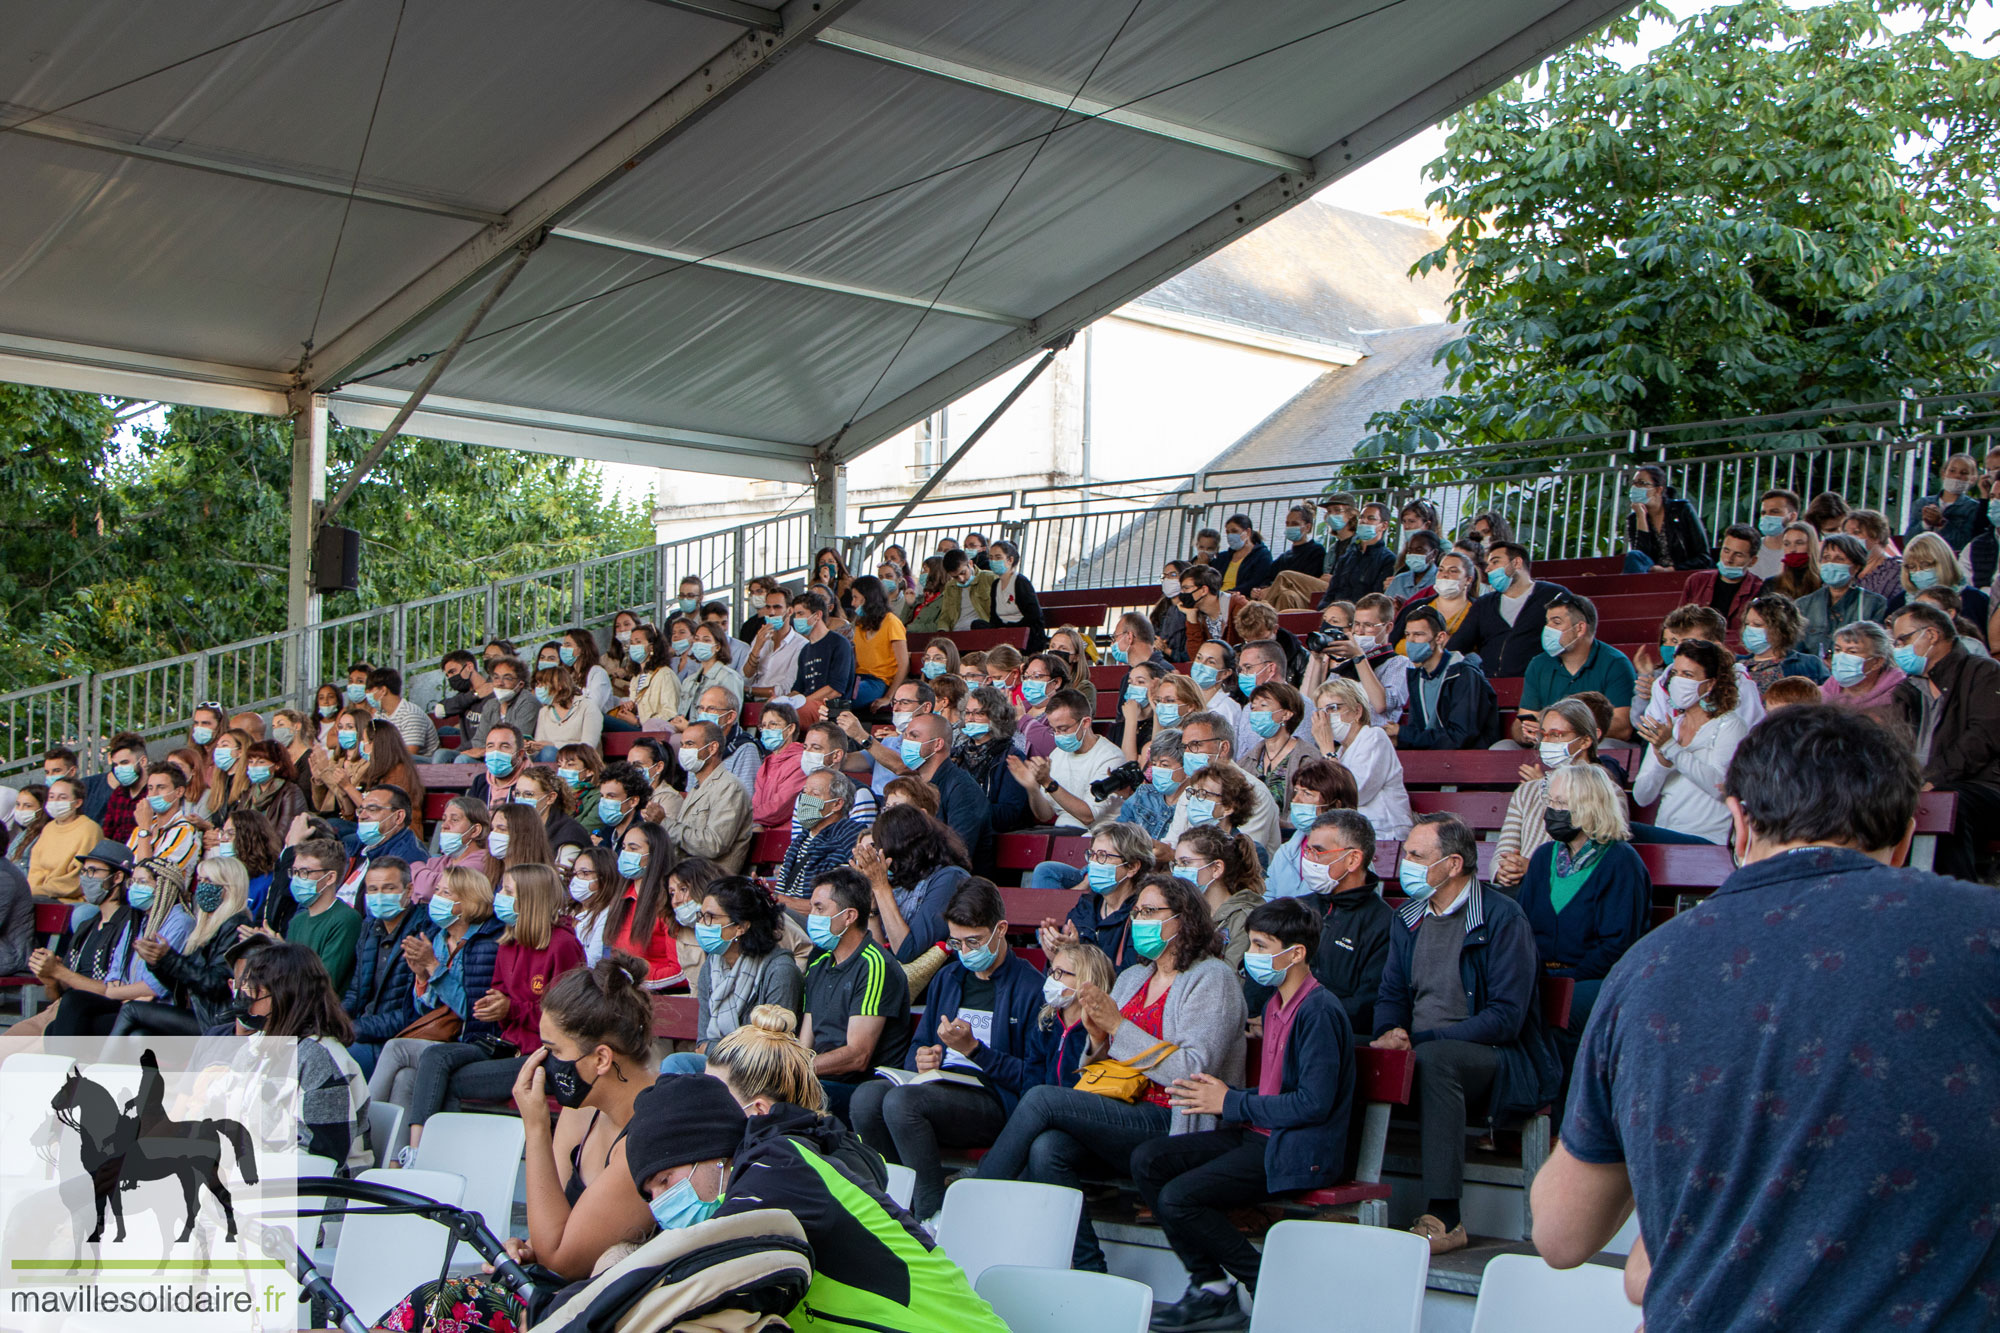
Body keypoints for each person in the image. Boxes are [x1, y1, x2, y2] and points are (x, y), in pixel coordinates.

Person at [1534, 707, 2000, 1333]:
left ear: (1738, 822)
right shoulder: (1981, 935)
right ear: (1904, 835)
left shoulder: (1648, 968)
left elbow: (1561, 1234)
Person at [977, 872, 1246, 1273]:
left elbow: (1192, 1070)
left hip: (1176, 1120)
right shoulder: (1135, 977)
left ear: (1184, 918)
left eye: (1150, 912)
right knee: (1047, 1148)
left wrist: (1119, 1027)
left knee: (1041, 1098)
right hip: (1121, 1109)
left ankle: (974, 1204)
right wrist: (1098, 1038)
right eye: (1136, 912)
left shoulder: (1212, 978)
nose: (1138, 920)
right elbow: (1101, 1064)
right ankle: (1088, 1270)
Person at [624, 1073, 1012, 1333]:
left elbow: (701, 1274)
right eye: (651, 1194)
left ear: (709, 1152)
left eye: (665, 1181)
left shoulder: (779, 1168)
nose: (660, 1204)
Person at [1134, 896, 1355, 1332]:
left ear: (1296, 953)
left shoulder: (1320, 1011)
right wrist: (1228, 1097)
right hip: (1260, 1133)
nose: (1251, 954)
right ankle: (1211, 1284)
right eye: (1250, 943)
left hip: (1295, 1147)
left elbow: (1313, 1103)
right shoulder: (1275, 1005)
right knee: (1149, 1160)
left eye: (1261, 944)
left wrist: (1229, 1101)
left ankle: (1266, 1286)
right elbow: (1276, 1089)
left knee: (1181, 1196)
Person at [1370, 814, 1557, 1256]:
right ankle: (1335, 1193)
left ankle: (1446, 1216)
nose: (1404, 864)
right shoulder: (1408, 917)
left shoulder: (1502, 918)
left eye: (1417, 856)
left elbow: (1506, 1018)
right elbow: (1391, 992)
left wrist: (1421, 1043)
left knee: (1438, 1063)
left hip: (1495, 1058)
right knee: (1343, 1044)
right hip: (1424, 1050)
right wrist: (1389, 1031)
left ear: (1453, 864)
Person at [849, 878, 1050, 1222]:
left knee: (902, 1104)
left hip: (992, 1099)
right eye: (957, 943)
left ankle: (932, 1213)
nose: (967, 952)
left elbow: (1034, 1079)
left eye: (974, 941)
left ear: (1000, 929)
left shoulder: (1030, 987)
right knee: (866, 1098)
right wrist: (922, 1057)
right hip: (939, 1086)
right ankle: (892, 1205)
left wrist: (976, 1051)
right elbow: (920, 1043)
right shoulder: (949, 978)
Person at [399, 863, 588, 1159]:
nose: (499, 896)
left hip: (543, 1055)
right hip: (503, 1045)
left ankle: (434, 1159)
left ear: (530, 899)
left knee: (452, 1080)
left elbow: (566, 1019)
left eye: (508, 891)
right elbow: (498, 996)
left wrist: (510, 1009)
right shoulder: (508, 942)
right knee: (435, 1056)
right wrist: (492, 1006)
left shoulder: (562, 945)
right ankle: (415, 1152)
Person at [1511, 765, 1647, 1036]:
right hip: (1539, 977)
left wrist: (1560, 981)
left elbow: (1617, 947)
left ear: (1589, 806)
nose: (1552, 811)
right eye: (1550, 802)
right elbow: (1521, 929)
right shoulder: (1542, 857)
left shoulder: (1621, 861)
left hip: (1594, 980)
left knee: (1549, 1014)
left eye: (1561, 803)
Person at [366, 865, 504, 1110]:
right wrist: (421, 977)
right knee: (405, 1078)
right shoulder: (438, 938)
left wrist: (433, 967)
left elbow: (472, 1012)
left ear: (468, 902)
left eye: (446, 893)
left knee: (395, 1048)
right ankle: (397, 1146)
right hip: (441, 1036)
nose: (436, 898)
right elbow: (423, 1012)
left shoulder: (485, 945)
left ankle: (359, 1123)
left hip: (472, 1042)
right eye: (437, 891)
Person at [237, 942, 375, 1171]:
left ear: (282, 995)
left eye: (255, 993)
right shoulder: (260, 1047)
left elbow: (319, 1159)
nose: (248, 1005)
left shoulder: (319, 1059)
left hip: (315, 1197)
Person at [1254, 808, 1392, 1035]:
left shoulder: (1383, 923)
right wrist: (1263, 1014)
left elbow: (1367, 1005)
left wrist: (1292, 1018)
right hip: (1271, 1031)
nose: (1308, 859)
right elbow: (1260, 978)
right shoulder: (1294, 909)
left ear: (1353, 859)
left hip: (1332, 1039)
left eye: (1318, 851)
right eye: (1307, 850)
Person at [1889, 600, 2000, 879]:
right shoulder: (1906, 689)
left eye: (1903, 639)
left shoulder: (1984, 673)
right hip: (1919, 787)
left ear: (1932, 635)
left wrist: (1932, 778)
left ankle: (1956, 903)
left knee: (1945, 803)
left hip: (1983, 786)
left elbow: (1983, 737)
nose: (1897, 648)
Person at [30, 851, 195, 1037]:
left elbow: (155, 987)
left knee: (76, 1024)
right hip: (128, 1001)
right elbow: (116, 972)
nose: (134, 888)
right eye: (132, 882)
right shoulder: (139, 921)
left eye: (142, 882)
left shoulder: (181, 922)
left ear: (163, 887)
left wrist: (113, 993)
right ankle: (68, 1064)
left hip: (159, 1009)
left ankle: (67, 1065)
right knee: (69, 1007)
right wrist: (120, 991)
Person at [800, 867, 914, 1119]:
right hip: (817, 1080)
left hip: (859, 1091)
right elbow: (804, 1044)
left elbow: (857, 1056)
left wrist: (795, 1069)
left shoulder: (875, 965)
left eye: (819, 909)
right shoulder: (819, 963)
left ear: (849, 915)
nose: (812, 916)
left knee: (770, 1093)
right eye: (812, 908)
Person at [114, 853, 252, 1036]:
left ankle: (100, 1065)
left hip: (217, 1023)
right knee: (139, 1036)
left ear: (229, 888)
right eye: (200, 881)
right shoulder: (206, 927)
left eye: (208, 881)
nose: (202, 887)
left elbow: (217, 985)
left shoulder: (236, 926)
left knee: (130, 1009)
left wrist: (169, 959)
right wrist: (157, 962)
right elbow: (180, 986)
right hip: (195, 1015)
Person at [1492, 697, 1624, 885]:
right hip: (1519, 888)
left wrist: (1534, 868)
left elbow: (1603, 860)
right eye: (1543, 734)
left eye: (1556, 735)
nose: (1546, 742)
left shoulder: (1609, 792)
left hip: (1574, 891)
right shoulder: (1527, 790)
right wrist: (1503, 870)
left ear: (1585, 740)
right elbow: (1504, 848)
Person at [1632, 638, 1749, 844]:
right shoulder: (1670, 727)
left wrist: (1671, 749)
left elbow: (1719, 787)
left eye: (1688, 675)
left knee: (1622, 832)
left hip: (1708, 839)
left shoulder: (1730, 726)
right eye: (1675, 673)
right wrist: (1662, 763)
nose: (1678, 681)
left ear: (1711, 683)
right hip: (1666, 833)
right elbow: (1642, 797)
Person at [855, 805, 972, 965]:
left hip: (938, 982)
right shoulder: (900, 878)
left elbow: (908, 952)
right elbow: (879, 958)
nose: (880, 855)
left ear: (900, 847)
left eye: (881, 847)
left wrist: (881, 887)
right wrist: (872, 907)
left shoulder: (950, 878)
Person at [1031, 818, 1153, 969]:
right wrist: (1055, 958)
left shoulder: (1144, 916)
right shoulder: (1085, 907)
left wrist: (1081, 958)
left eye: (1102, 856)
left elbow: (1130, 982)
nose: (1093, 863)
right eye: (1092, 855)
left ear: (1132, 867)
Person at [1516, 592, 1637, 743]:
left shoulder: (1616, 663)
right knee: (1503, 747)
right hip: (1546, 743)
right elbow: (1522, 721)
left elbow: (1622, 727)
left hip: (1591, 746)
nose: (1547, 628)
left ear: (1580, 628)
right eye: (1547, 622)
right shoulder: (1538, 664)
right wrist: (1527, 731)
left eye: (1556, 622)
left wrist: (1566, 730)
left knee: (1608, 745)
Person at [1309, 678, 1413, 842]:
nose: (1326, 718)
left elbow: (1354, 795)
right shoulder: (1341, 752)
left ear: (1357, 711)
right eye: (1321, 712)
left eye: (1333, 708)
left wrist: (1327, 751)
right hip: (1354, 834)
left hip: (1384, 834)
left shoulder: (1374, 737)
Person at [1007, 689, 1123, 833]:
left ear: (1086, 722)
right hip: (1062, 832)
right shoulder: (1057, 754)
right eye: (1054, 730)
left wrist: (1048, 783)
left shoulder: (1111, 757)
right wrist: (1032, 788)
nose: (1058, 735)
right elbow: (1045, 815)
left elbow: (1088, 816)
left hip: (1099, 834)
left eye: (1063, 729)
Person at [1448, 543, 1569, 678]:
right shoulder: (1484, 604)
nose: (1488, 569)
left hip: (1539, 681)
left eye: (1495, 562)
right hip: (1489, 683)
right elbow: (1458, 645)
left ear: (1516, 562)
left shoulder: (1553, 595)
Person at [1166, 711, 1282, 849]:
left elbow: (1243, 854)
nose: (1188, 753)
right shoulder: (1190, 791)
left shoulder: (1254, 793)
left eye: (1196, 744)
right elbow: (1172, 842)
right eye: (1185, 747)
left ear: (1223, 748)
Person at [1395, 605, 1502, 749]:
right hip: (1434, 756)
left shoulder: (1464, 674)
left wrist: (1402, 733)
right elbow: (1418, 732)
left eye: (1418, 635)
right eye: (1407, 635)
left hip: (1470, 758)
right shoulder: (1417, 677)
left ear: (1440, 637)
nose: (1411, 641)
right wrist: (1399, 739)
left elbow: (1460, 737)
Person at [658, 720, 755, 874]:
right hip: (684, 877)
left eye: (690, 744)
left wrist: (665, 823)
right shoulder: (697, 788)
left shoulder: (730, 787)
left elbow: (714, 845)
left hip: (709, 881)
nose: (683, 750)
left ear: (712, 748)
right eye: (682, 745)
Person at [1258, 756, 1358, 896]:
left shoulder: (1349, 856)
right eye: (1296, 791)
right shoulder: (1286, 851)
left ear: (1336, 806)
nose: (1295, 800)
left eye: (1306, 793)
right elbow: (1268, 896)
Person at [1171, 824, 1265, 967]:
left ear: (1216, 868)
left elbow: (1232, 978)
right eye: (1176, 864)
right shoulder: (1180, 911)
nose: (1177, 871)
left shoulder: (1243, 918)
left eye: (1185, 863)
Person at [279, 836, 365, 992]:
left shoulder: (346, 919)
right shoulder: (297, 921)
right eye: (295, 872)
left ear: (330, 877)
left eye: (305, 872)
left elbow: (326, 981)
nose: (298, 879)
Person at [953, 687, 1033, 837]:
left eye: (979, 713)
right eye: (968, 713)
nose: (970, 718)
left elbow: (1009, 813)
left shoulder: (1011, 757)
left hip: (992, 836)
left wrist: (964, 810)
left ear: (997, 717)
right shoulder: (956, 755)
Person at [774, 769, 864, 900]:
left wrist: (776, 900)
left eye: (815, 794)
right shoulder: (802, 839)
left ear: (837, 804)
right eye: (805, 792)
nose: (805, 799)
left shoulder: (849, 839)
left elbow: (832, 905)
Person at [1794, 531, 1886, 656]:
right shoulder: (1803, 604)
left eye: (1839, 559)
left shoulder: (1873, 603)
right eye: (1826, 558)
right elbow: (1796, 650)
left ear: (1856, 567)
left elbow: (1876, 649)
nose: (1831, 564)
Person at [1677, 523, 1763, 645]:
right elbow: (1680, 623)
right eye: (1726, 551)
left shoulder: (1759, 589)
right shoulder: (1696, 581)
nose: (1729, 559)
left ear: (1752, 561)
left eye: (1738, 555)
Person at [1624, 464, 1713, 571]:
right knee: (1634, 555)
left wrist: (1671, 569)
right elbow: (1641, 560)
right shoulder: (1635, 519)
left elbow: (1703, 557)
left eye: (1641, 483)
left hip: (1683, 574)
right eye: (1634, 483)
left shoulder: (1682, 509)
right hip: (1651, 577)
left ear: (1658, 490)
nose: (1635, 488)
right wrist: (1641, 517)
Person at [27, 775, 102, 900]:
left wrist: (41, 890)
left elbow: (79, 878)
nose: (55, 802)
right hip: (37, 895)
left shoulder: (89, 829)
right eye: (51, 797)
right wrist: (32, 889)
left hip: (68, 900)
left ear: (78, 802)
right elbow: (35, 868)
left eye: (62, 798)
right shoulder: (48, 828)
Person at [790, 589, 858, 722]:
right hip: (807, 706)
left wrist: (801, 703)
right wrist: (784, 701)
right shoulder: (805, 650)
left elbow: (836, 690)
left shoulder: (839, 643)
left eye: (800, 614)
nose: (796, 619)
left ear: (817, 615)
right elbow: (798, 688)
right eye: (795, 615)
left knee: (787, 717)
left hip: (831, 709)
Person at [1740, 594, 1829, 692]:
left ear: (1780, 628)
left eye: (1757, 625)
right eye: (1747, 624)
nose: (1749, 629)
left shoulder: (1810, 664)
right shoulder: (1736, 665)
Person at [1902, 532, 1991, 630]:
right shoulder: (1899, 602)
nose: (1918, 572)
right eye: (1912, 567)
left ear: (1943, 563)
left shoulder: (1974, 600)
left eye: (1926, 565)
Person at [1820, 619, 1909, 715]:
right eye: (1838, 650)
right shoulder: (1827, 691)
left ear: (1877, 662)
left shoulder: (1898, 696)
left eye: (1852, 652)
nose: (1841, 657)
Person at [1906, 450, 1984, 548]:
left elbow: (1965, 544)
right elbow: (1908, 541)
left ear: (1972, 479)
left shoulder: (1973, 508)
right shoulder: (1923, 503)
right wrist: (1925, 523)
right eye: (1952, 471)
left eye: (1964, 473)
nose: (1957, 475)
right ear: (1943, 474)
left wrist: (1941, 523)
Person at [1321, 502, 1396, 605]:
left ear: (1383, 525)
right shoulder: (1347, 556)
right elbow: (1330, 592)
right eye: (1361, 517)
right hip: (1335, 611)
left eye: (1371, 518)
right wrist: (1322, 610)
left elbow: (1376, 598)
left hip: (1359, 614)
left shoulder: (1387, 559)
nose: (1364, 521)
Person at [532, 664, 604, 759]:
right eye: (537, 684)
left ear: (559, 686)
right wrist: (531, 748)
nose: (539, 688)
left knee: (549, 751)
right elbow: (539, 747)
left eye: (543, 684)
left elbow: (588, 747)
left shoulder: (587, 707)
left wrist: (555, 746)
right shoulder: (544, 712)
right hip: (547, 761)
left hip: (580, 762)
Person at [1178, 563, 1247, 661]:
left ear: (1204, 590)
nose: (1182, 593)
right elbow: (1196, 658)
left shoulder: (1239, 607)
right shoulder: (1199, 615)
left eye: (1186, 588)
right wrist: (1191, 617)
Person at [1840, 506, 1905, 599]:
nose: (1849, 539)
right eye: (1846, 533)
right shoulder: (1845, 568)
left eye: (1856, 533)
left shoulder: (1897, 570)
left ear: (1877, 537)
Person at [1213, 512, 1276, 596]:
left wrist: (1226, 594)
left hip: (1239, 598)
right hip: (1217, 597)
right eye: (1228, 532)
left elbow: (1254, 582)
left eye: (1234, 531)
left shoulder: (1262, 556)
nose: (1230, 535)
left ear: (1248, 532)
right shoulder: (1223, 557)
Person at [1747, 487, 1800, 579]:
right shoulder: (1750, 549)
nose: (1767, 517)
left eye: (1774, 512)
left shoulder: (1801, 553)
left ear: (1792, 517)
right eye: (1763, 513)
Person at [1150, 559, 1192, 659]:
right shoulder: (1159, 611)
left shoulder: (1193, 610)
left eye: (1173, 575)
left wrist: (1166, 650)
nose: (1167, 579)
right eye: (1164, 576)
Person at [1386, 529, 1441, 602]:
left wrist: (1405, 607)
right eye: (1410, 551)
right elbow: (1385, 609)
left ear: (1434, 553)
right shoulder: (1399, 580)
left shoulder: (1440, 581)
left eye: (1419, 550)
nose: (1413, 554)